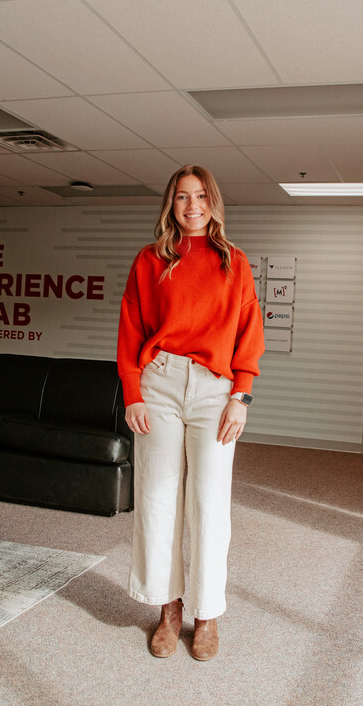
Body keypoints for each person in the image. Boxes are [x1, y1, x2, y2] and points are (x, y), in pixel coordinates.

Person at [116, 164, 265, 661]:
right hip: (159, 384)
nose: (193, 205)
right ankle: (168, 609)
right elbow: (131, 328)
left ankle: (207, 615)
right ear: (171, 204)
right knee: (157, 500)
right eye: (182, 197)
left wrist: (240, 397)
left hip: (213, 391)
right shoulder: (149, 259)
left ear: (213, 202)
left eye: (201, 196)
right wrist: (132, 392)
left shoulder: (235, 262)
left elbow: (249, 334)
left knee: (208, 502)